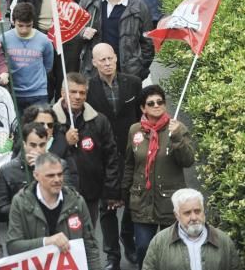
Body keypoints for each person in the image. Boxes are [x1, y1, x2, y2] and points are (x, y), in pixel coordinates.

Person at [122, 85, 196, 267]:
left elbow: (188, 161)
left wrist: (177, 137)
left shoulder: (177, 128)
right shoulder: (135, 130)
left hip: (169, 202)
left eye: (160, 102)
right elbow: (130, 163)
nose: (156, 105)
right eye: (151, 103)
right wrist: (124, 192)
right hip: (142, 202)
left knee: (170, 252)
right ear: (143, 108)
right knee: (143, 248)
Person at [87, 43, 141, 269]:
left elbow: (142, 116)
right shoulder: (88, 88)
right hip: (103, 156)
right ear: (94, 63)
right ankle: (112, 255)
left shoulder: (133, 83)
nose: (107, 64)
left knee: (132, 202)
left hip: (131, 154)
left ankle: (127, 238)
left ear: (116, 58)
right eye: (102, 60)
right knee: (107, 206)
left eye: (110, 59)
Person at [6, 153, 103, 270]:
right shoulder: (20, 202)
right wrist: (46, 242)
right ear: (36, 175)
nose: (57, 179)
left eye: (60, 174)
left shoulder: (77, 202)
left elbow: (90, 246)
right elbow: (13, 246)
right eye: (50, 175)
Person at [52, 72, 121, 229]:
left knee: (87, 239)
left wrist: (110, 191)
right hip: (58, 194)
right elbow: (41, 158)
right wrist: (65, 142)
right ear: (63, 93)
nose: (78, 96)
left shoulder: (99, 120)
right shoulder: (49, 120)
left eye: (82, 92)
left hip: (90, 193)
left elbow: (111, 157)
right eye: (73, 92)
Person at [77, 0, 155, 80]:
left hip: (127, 75)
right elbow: (73, 30)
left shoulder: (139, 7)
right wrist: (82, 32)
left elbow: (148, 44)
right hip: (94, 73)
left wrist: (139, 70)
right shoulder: (88, 0)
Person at [142, 189, 240, 270]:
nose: (193, 217)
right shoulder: (159, 242)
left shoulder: (224, 241)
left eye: (197, 211)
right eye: (187, 213)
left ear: (203, 210)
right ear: (177, 215)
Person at [1, 2, 54, 111]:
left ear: (33, 23)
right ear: (13, 22)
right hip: (14, 93)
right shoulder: (3, 39)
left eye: (28, 26)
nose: (24, 30)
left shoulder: (44, 40)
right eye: (20, 25)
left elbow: (48, 65)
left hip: (38, 93)